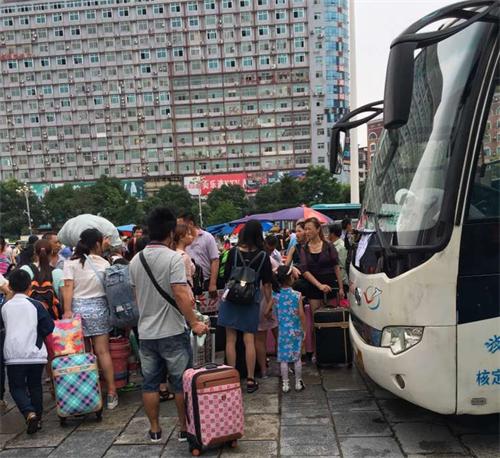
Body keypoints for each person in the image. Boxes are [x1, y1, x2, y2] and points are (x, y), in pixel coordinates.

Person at [129, 207, 208, 443]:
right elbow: (180, 294)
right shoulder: (173, 258)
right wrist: (194, 322)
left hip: (146, 333)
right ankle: (184, 428)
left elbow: (136, 297)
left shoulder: (135, 260)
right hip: (172, 331)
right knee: (180, 383)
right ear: (171, 232)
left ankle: (155, 430)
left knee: (150, 385)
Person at [62, 229, 118, 410]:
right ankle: (111, 392)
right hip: (100, 309)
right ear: (97, 244)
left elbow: (68, 288)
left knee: (84, 355)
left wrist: (67, 310)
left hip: (78, 311)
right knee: (103, 352)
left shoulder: (70, 263)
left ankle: (89, 393)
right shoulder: (104, 263)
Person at [218, 220, 274, 393]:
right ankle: (250, 379)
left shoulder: (233, 252)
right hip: (251, 300)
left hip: (231, 299)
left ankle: (232, 378)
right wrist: (269, 304)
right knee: (249, 339)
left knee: (230, 339)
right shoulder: (263, 256)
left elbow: (226, 276)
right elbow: (267, 283)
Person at [1, 269, 54, 434]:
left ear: (10, 286)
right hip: (35, 353)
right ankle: (38, 418)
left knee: (16, 387)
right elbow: (48, 327)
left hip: (14, 354)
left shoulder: (5, 307)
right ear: (30, 286)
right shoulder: (36, 305)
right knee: (35, 386)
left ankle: (29, 413)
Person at [299, 217, 345, 311]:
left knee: (332, 315)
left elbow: (336, 267)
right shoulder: (304, 248)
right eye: (305, 229)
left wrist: (341, 288)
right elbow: (305, 271)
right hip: (313, 287)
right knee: (316, 316)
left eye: (309, 229)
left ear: (318, 229)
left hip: (330, 286)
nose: (307, 232)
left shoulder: (329, 246)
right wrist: (319, 285)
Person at [274, 265, 306, 393]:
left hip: (282, 331)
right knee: (297, 357)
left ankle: (285, 384)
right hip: (296, 330)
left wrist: (273, 316)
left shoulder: (276, 295)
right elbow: (301, 314)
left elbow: (267, 311)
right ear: (290, 278)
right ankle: (298, 382)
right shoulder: (297, 295)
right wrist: (304, 329)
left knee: (284, 359)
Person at [177, 212, 219, 298]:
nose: (179, 228)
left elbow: (215, 260)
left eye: (181, 225)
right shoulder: (180, 239)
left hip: (205, 282)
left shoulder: (207, 237)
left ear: (191, 223)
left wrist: (212, 284)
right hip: (187, 282)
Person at [255, 235, 280, 379]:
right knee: (279, 335)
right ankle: (281, 367)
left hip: (257, 300)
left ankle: (263, 371)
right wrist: (270, 305)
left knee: (260, 338)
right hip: (270, 300)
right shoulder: (268, 260)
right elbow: (269, 283)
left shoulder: (250, 256)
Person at [20, 239, 64, 304]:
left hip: (29, 308)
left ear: (34, 252)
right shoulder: (58, 272)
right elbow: (63, 298)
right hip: (51, 309)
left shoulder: (24, 269)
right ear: (51, 252)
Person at [173, 224, 196, 292]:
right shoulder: (184, 256)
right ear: (181, 237)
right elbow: (187, 278)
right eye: (189, 234)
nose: (191, 237)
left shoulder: (173, 253)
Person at [328, 224, 348, 288]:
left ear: (332, 234)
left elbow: (342, 266)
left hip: (339, 282)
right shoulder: (331, 245)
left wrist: (340, 283)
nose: (327, 235)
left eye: (329, 232)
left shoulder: (341, 247)